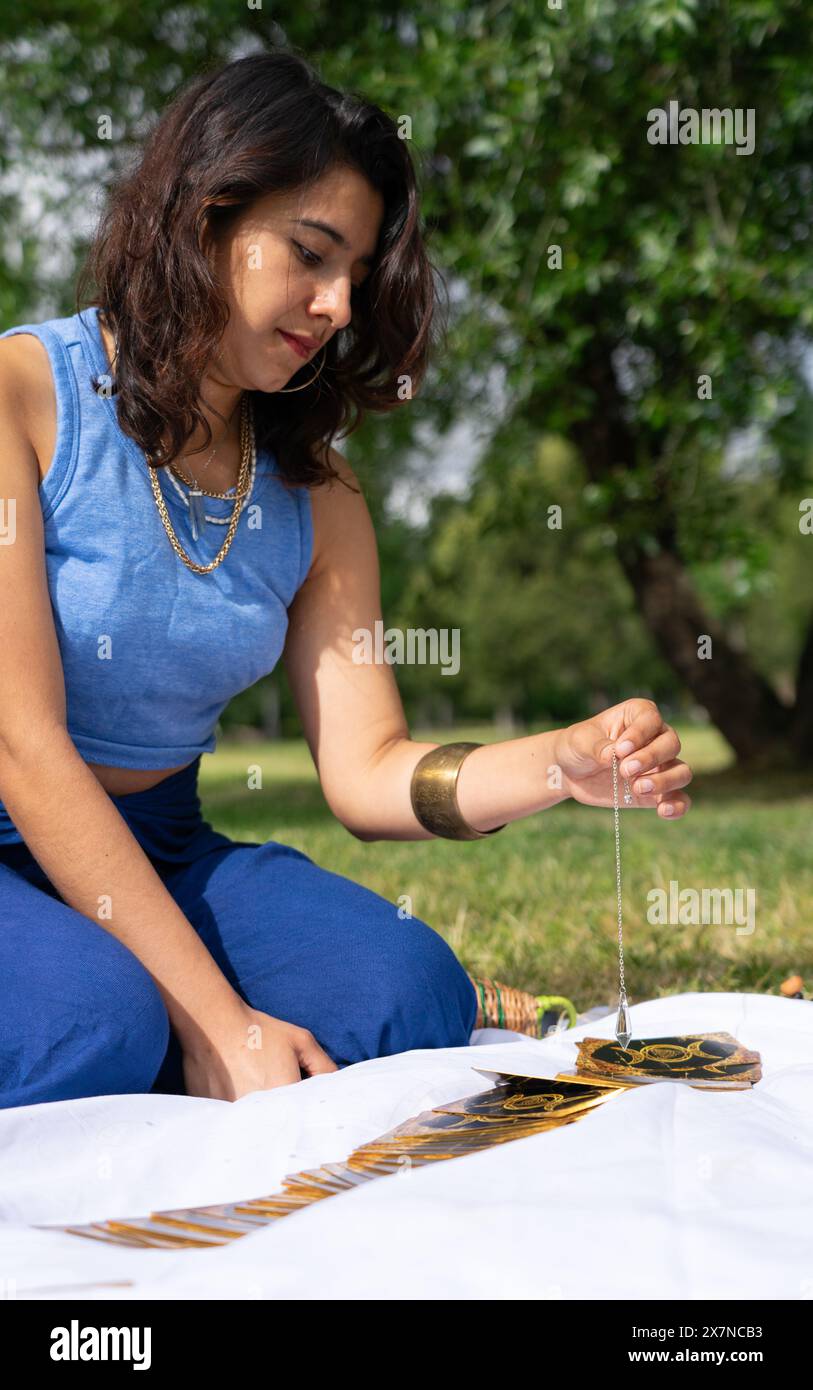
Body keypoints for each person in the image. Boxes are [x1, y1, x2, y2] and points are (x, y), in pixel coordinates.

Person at [0, 49, 692, 1109]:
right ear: (203, 215)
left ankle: (147, 1030)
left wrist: (558, 764)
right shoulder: (22, 397)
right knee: (97, 1027)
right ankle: (143, 1029)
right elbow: (23, 744)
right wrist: (217, 1019)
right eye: (310, 253)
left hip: (164, 843)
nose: (334, 306)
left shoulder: (317, 490)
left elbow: (367, 769)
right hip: (19, 821)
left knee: (407, 994)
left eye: (356, 278)